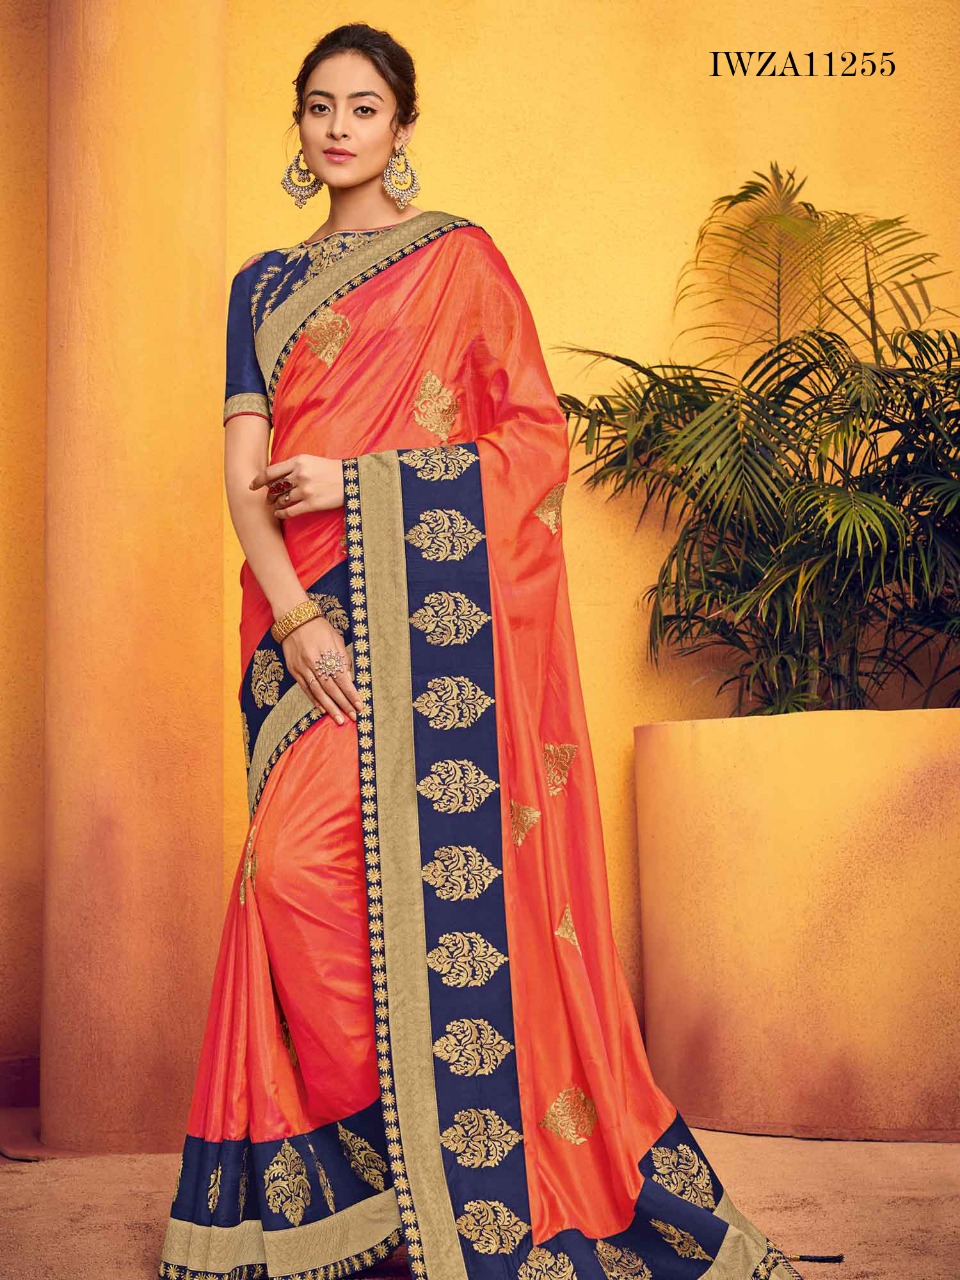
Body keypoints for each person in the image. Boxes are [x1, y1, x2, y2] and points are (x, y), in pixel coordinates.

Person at [157, 22, 809, 1280]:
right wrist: (296, 617)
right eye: (319, 106)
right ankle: (387, 1179)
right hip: (303, 625)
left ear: (402, 126)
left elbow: (532, 444)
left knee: (400, 884)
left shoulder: (459, 259)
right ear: (299, 124)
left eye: (364, 107)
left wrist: (355, 481)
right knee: (291, 876)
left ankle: (445, 1172)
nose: (339, 127)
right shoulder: (261, 287)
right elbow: (243, 478)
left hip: (431, 632)